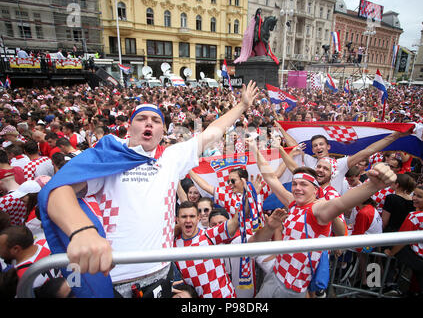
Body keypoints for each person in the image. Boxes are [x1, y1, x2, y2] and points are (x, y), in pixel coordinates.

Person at [39, 81, 259, 298]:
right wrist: (81, 232)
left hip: (160, 274)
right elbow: (58, 190)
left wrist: (242, 106)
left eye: (155, 120)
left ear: (162, 130)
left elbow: (213, 132)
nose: (149, 124)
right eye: (141, 119)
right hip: (116, 279)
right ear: (130, 127)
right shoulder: (108, 156)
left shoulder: (172, 157)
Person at [248, 138, 397, 298]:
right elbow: (271, 178)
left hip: (289, 288)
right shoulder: (293, 203)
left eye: (304, 185)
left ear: (315, 190)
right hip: (276, 273)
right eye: (295, 184)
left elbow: (341, 203)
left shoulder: (317, 209)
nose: (298, 188)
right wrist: (254, 149)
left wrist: (372, 185)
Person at [275, 121, 410, 195]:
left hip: (333, 208)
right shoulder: (309, 161)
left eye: (321, 144)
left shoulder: (341, 163)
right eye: (315, 146)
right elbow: (296, 147)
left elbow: (368, 151)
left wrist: (395, 136)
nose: (318, 147)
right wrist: (281, 129)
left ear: (328, 146)